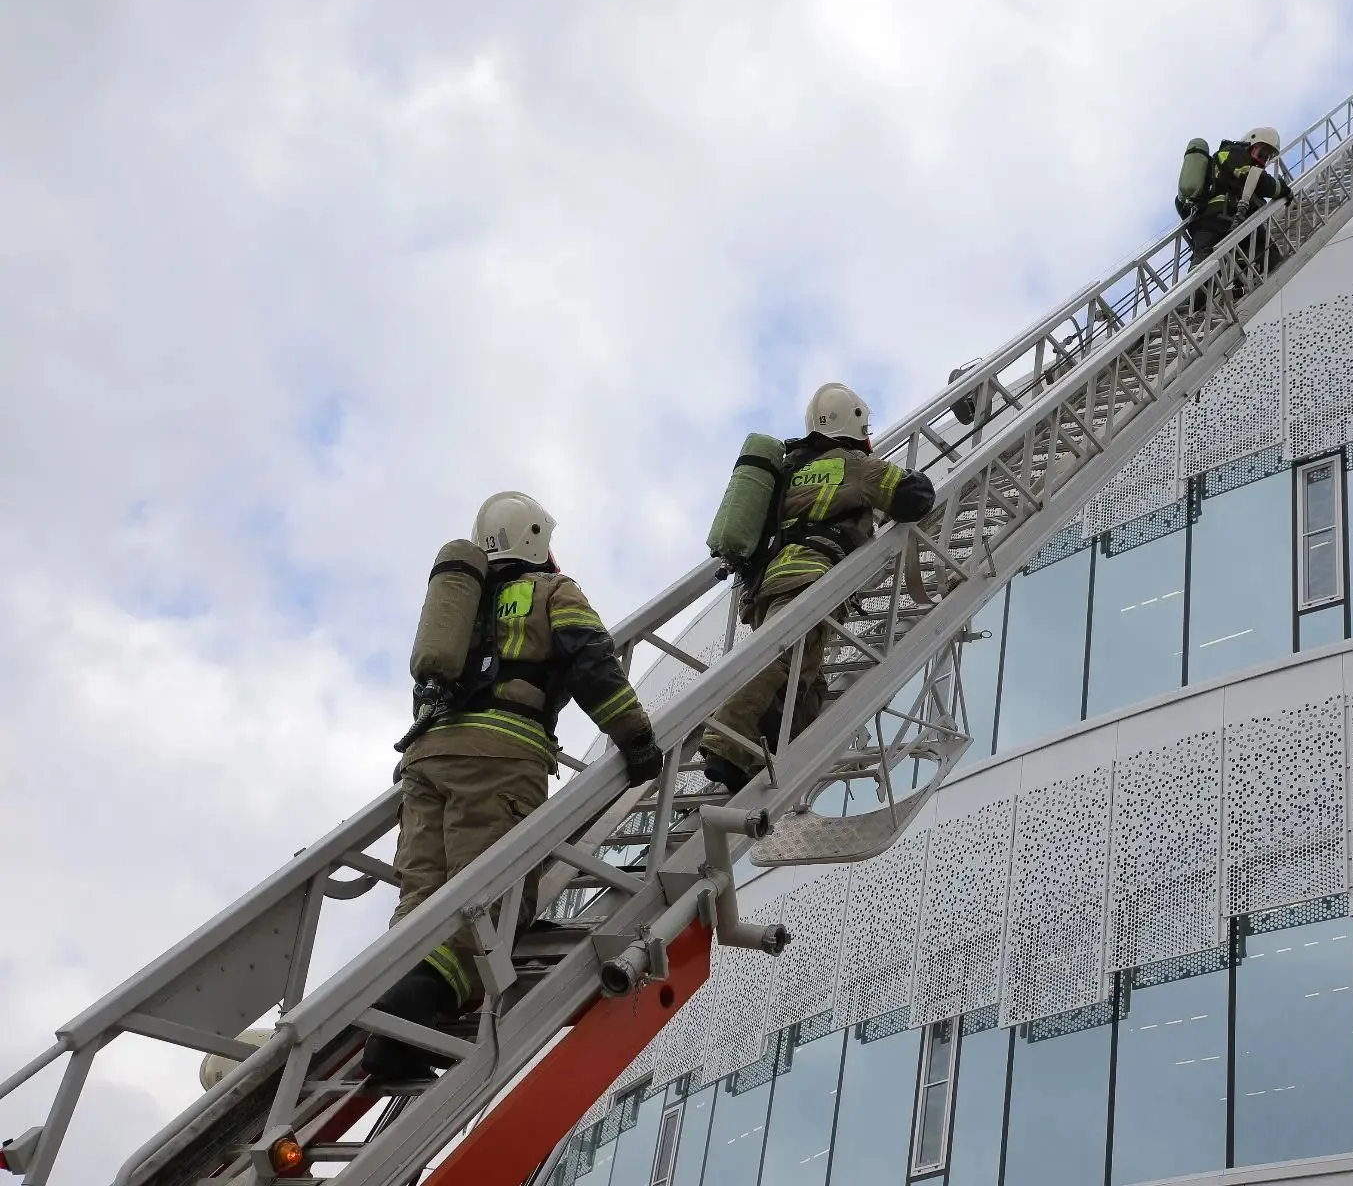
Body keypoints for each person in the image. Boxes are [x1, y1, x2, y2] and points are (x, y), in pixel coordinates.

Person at [364, 491, 662, 1082]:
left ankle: (386, 1028)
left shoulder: (462, 602)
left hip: (427, 758)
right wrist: (636, 738)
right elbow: (593, 664)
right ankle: (405, 1021)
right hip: (497, 761)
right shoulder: (552, 591)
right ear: (534, 538)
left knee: (422, 902)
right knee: (489, 909)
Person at [698, 384, 937, 794]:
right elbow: (913, 497)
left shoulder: (791, 470)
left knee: (807, 686)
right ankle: (727, 739)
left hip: (767, 584)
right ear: (858, 422)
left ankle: (757, 759)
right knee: (784, 662)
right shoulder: (851, 464)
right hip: (810, 578)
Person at [1178, 125, 1294, 265]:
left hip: (1203, 221)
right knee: (1266, 251)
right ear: (1249, 144)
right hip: (1224, 217)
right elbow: (1261, 182)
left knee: (1202, 262)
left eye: (1267, 157)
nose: (1261, 160)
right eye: (1260, 153)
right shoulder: (1236, 153)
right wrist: (1283, 189)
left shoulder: (1222, 162)